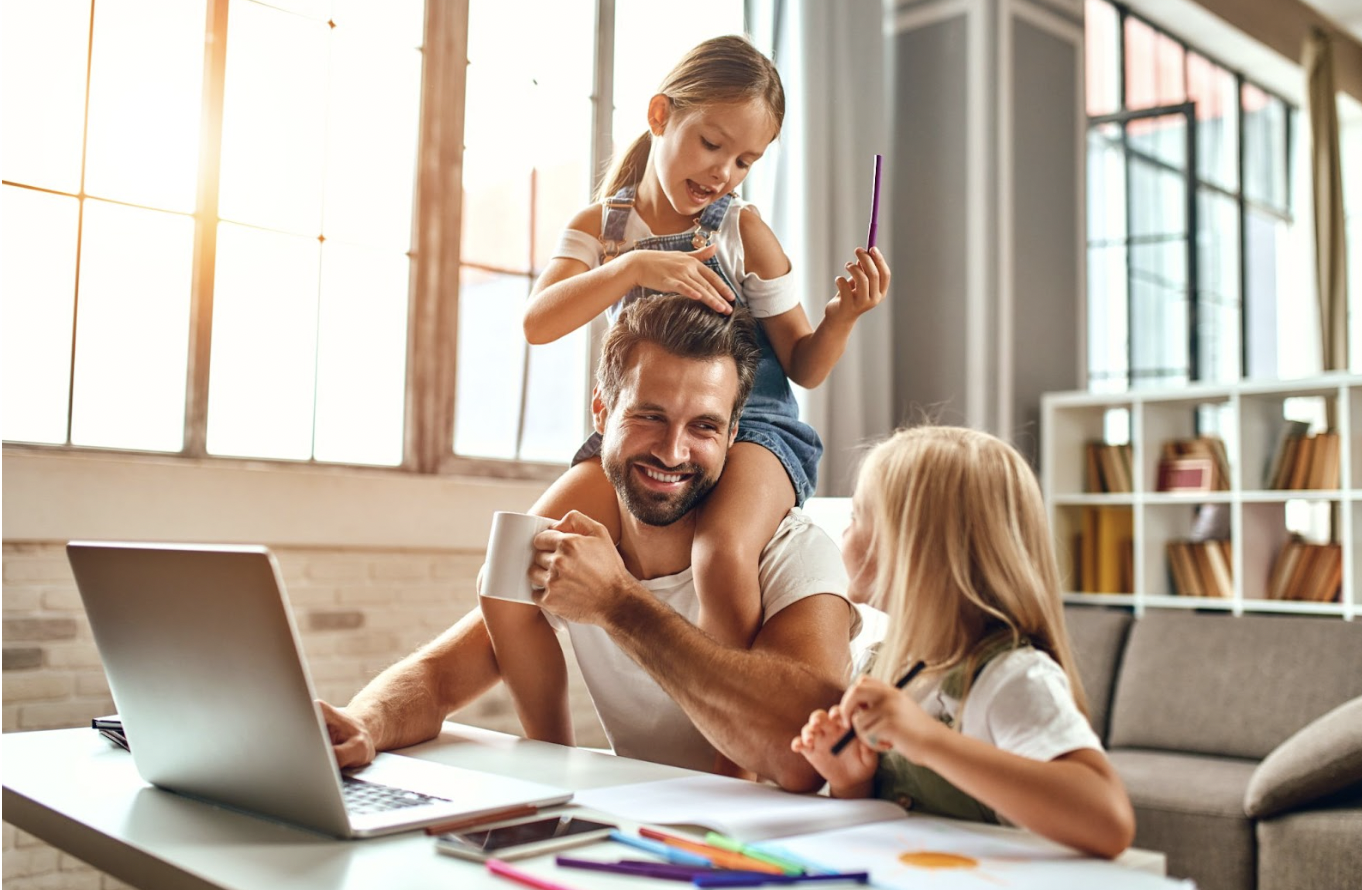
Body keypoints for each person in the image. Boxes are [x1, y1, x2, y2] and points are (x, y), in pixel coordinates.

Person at [485, 34, 890, 778]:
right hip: (644, 422)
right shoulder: (602, 230)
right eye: (713, 144)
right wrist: (635, 266)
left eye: (745, 161)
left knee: (721, 552)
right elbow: (539, 322)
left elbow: (804, 364)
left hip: (755, 424)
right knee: (513, 561)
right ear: (660, 114)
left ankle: (728, 762)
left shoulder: (741, 230)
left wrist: (843, 317)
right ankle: (548, 758)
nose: (725, 173)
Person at [322, 294, 858, 791]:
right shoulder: (583, 545)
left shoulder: (793, 554)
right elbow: (440, 678)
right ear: (601, 414)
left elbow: (805, 757)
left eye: (704, 427)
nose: (673, 452)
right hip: (642, 833)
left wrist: (618, 603)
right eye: (650, 416)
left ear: (734, 432)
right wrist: (363, 721)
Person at [790, 427, 1136, 859]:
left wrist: (928, 740)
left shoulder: (1010, 678)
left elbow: (1108, 821)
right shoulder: (883, 666)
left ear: (913, 548)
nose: (845, 530)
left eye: (858, 516)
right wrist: (850, 780)